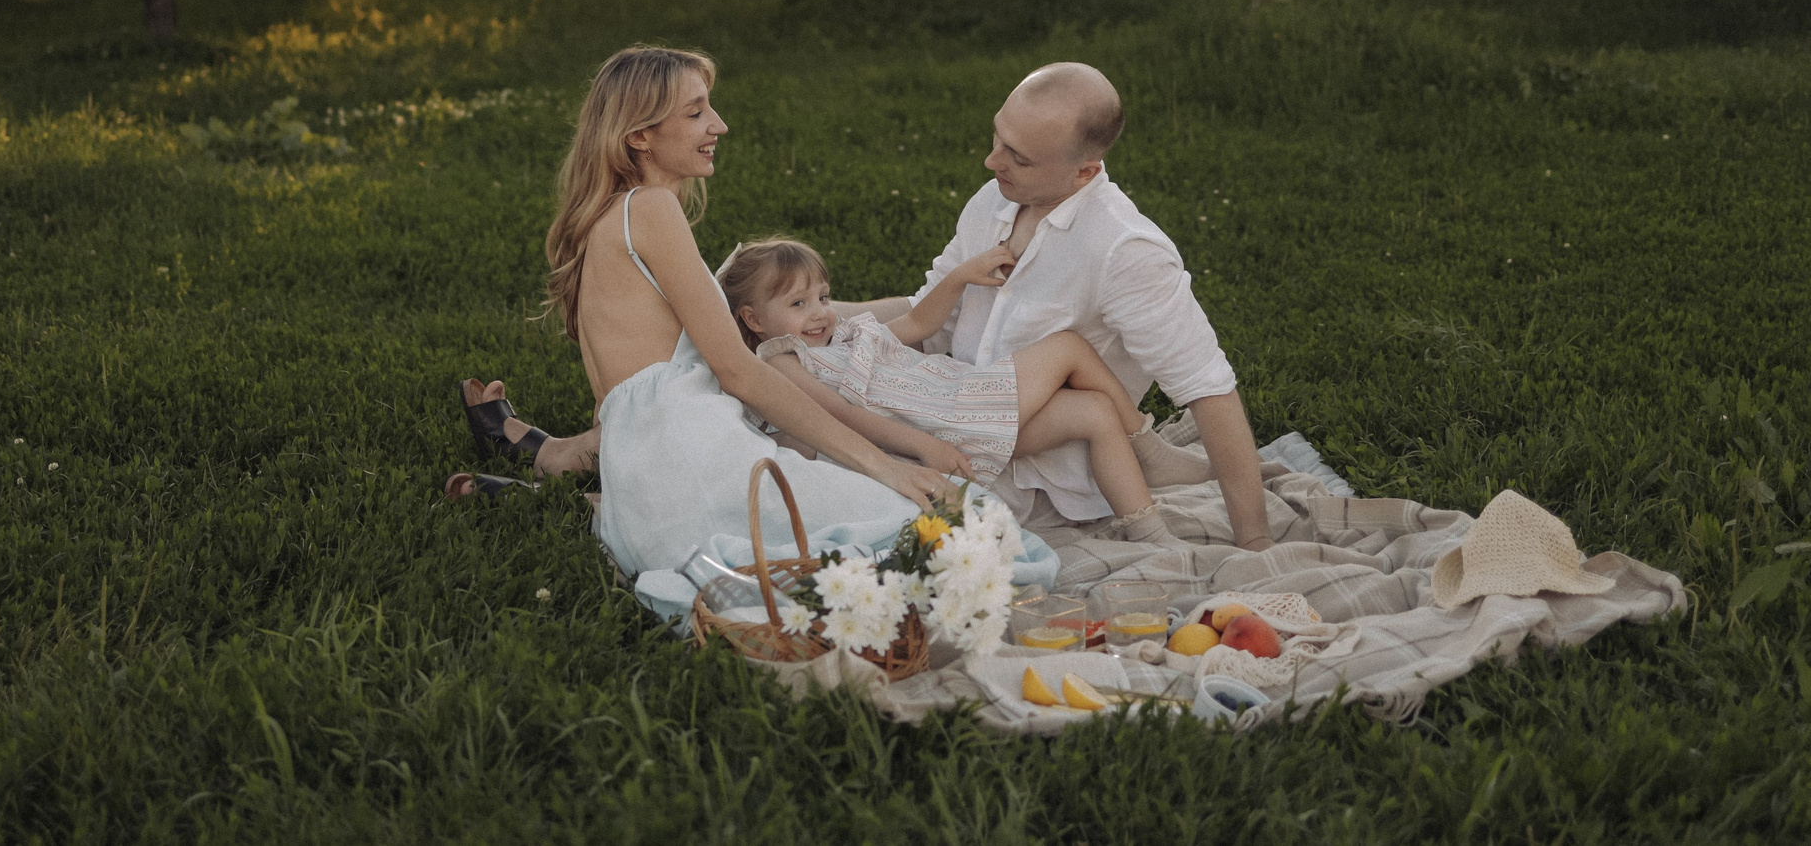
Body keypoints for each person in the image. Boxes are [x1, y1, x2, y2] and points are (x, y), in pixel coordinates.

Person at [518, 45, 947, 577]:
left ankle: (542, 475)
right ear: (639, 136)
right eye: (695, 112)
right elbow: (740, 370)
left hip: (648, 501)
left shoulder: (607, 223)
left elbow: (623, 403)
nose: (717, 125)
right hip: (698, 475)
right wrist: (883, 467)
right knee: (949, 526)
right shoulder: (650, 209)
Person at [874, 61, 1272, 547]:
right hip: (954, 425)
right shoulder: (994, 199)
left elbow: (1208, 388)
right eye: (997, 137)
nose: (991, 161)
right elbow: (929, 313)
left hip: (1047, 481)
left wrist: (1254, 539)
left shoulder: (1124, 251)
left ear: (1085, 171)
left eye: (1018, 158)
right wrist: (817, 322)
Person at [718, 238, 1179, 544]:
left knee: (1093, 412)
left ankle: (1150, 531)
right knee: (1069, 349)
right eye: (798, 304)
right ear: (754, 320)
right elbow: (841, 414)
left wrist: (960, 276)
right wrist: (925, 444)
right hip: (942, 421)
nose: (819, 312)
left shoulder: (843, 338)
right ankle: (1150, 448)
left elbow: (918, 322)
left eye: (822, 297)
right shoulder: (781, 362)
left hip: (957, 414)